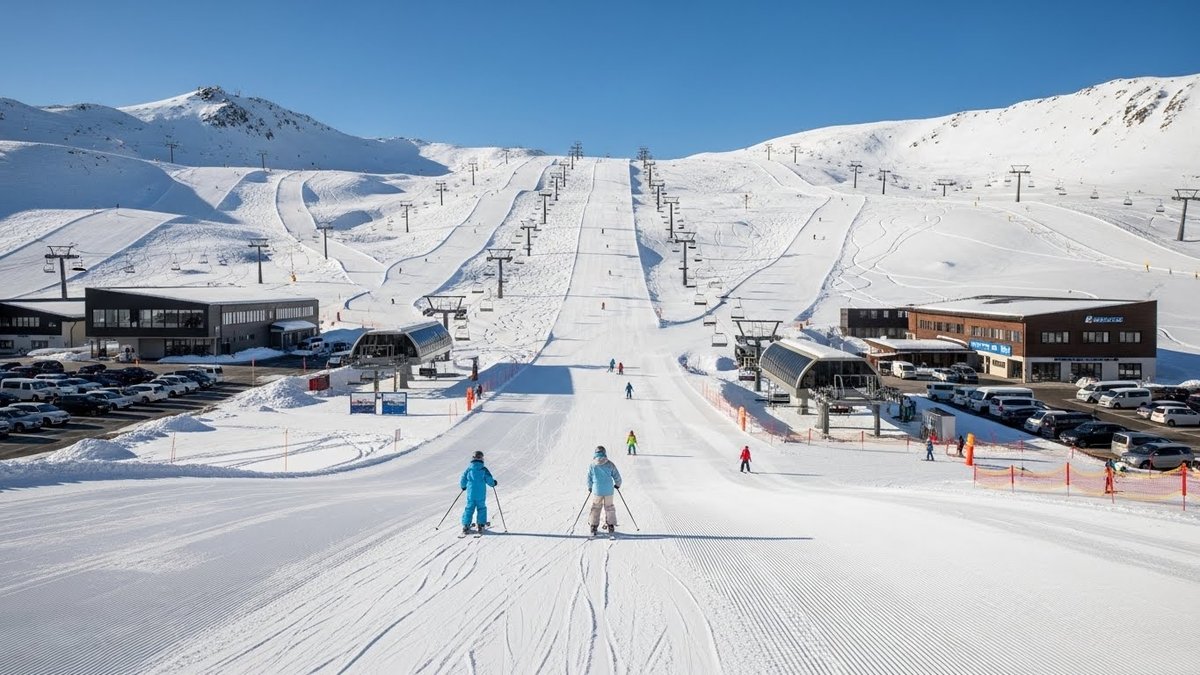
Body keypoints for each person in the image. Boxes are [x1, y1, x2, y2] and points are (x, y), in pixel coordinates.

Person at [459, 450, 497, 535]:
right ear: (482, 458)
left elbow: (463, 479)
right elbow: (489, 479)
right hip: (480, 494)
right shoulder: (483, 469)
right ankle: (480, 525)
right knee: (481, 508)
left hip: (471, 494)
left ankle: (466, 526)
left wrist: (463, 486)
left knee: (469, 508)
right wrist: (493, 483)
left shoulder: (469, 469)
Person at [587, 446, 622, 535]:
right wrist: (618, 484)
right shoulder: (610, 464)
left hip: (597, 490)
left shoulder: (592, 465)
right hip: (608, 490)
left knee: (596, 507)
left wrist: (590, 487)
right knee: (609, 507)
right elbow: (616, 475)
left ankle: (593, 526)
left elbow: (589, 477)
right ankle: (611, 525)